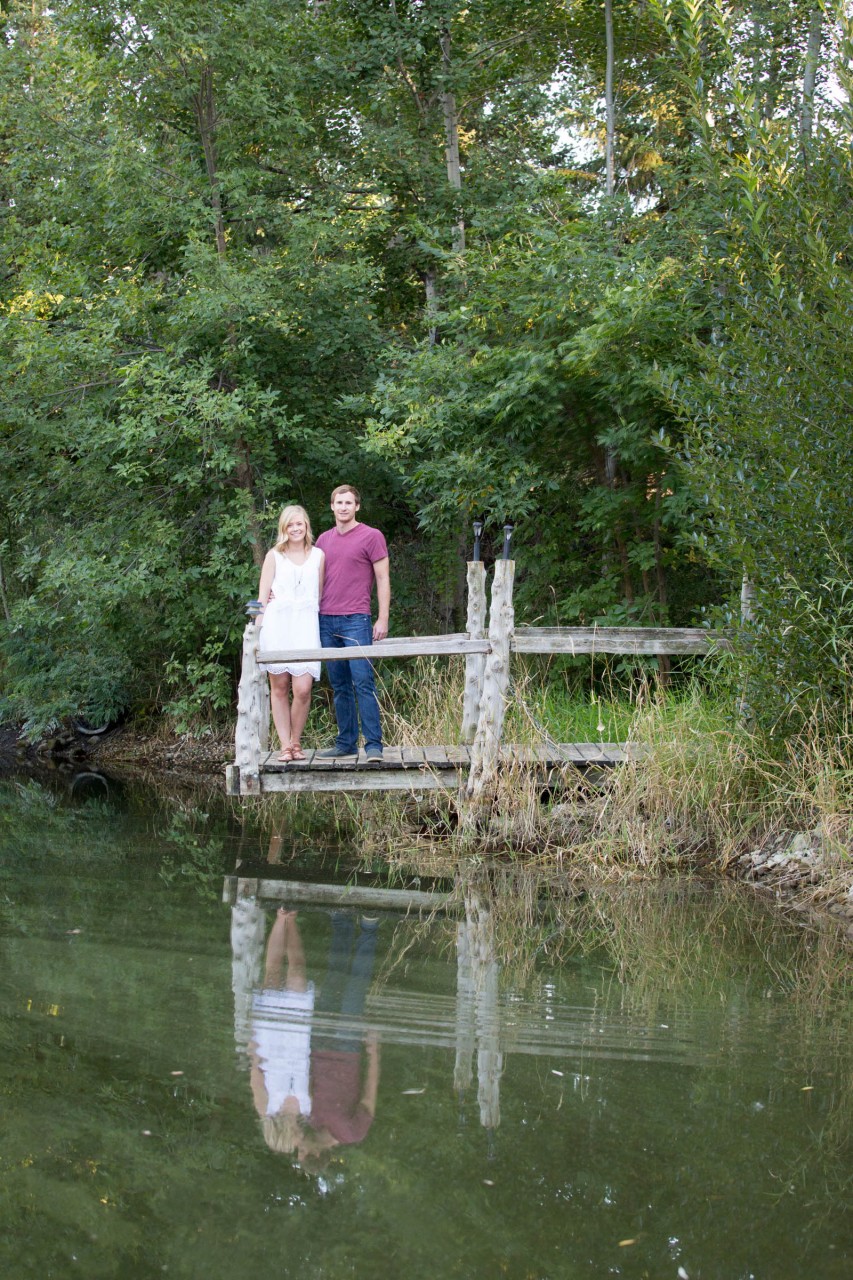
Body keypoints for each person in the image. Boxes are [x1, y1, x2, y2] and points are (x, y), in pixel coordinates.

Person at [315, 485, 390, 762]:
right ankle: (345, 743)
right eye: (339, 502)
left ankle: (373, 746)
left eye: (349, 502)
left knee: (363, 682)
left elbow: (382, 578)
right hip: (326, 620)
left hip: (356, 619)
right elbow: (312, 578)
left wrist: (382, 618)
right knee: (340, 685)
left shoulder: (371, 536)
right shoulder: (323, 540)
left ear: (357, 506)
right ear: (331, 506)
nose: (344, 507)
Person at [257, 505, 324, 762]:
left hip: (305, 625)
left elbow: (318, 596)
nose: (296, 529)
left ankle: (297, 740)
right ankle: (286, 746)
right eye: (290, 525)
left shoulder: (318, 555)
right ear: (283, 529)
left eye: (300, 524)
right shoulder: (274, 556)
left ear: (306, 526)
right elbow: (263, 598)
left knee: (303, 687)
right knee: (280, 686)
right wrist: (256, 631)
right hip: (277, 624)